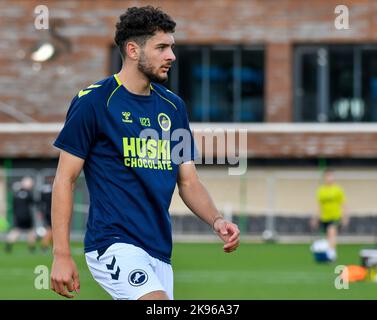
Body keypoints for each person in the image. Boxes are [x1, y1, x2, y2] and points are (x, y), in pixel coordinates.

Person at [50, 6, 240, 300]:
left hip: (159, 249)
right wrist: (61, 254)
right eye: (162, 47)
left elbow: (188, 181)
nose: (172, 56)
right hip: (112, 243)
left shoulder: (173, 107)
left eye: (172, 47)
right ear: (133, 50)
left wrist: (216, 220)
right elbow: (65, 179)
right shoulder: (94, 102)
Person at [311, 169, 348, 262]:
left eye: (331, 176)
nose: (329, 178)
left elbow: (343, 204)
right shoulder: (321, 190)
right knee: (328, 236)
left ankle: (332, 255)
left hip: (335, 216)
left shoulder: (338, 190)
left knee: (331, 232)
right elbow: (319, 206)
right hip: (324, 217)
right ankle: (329, 253)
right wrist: (315, 218)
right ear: (324, 178)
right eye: (327, 176)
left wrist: (345, 217)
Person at [5, 176, 37, 253]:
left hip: (18, 215)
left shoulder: (16, 194)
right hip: (26, 215)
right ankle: (32, 248)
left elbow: (13, 205)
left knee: (16, 230)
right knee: (30, 231)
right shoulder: (28, 193)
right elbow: (33, 202)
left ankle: (8, 246)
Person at [38, 175, 54, 253]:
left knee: (52, 230)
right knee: (51, 230)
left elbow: (41, 202)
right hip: (52, 212)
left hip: (46, 212)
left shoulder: (44, 190)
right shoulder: (53, 189)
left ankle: (53, 247)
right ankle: (44, 245)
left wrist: (40, 212)